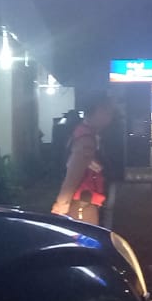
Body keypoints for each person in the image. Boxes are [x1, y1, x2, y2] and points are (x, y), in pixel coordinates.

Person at [51, 92, 115, 225]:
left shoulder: (84, 133)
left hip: (80, 202)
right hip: (81, 205)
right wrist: (62, 204)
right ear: (97, 111)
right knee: (84, 237)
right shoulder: (86, 139)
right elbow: (74, 172)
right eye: (107, 111)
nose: (110, 116)